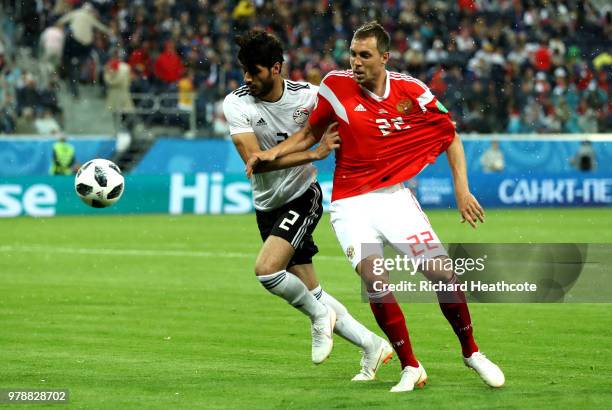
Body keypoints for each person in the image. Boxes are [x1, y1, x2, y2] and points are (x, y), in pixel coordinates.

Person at [247, 21, 504, 393]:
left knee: (442, 273)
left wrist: (462, 192)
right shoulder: (335, 85)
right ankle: (410, 365)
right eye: (352, 54)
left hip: (394, 199)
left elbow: (449, 135)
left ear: (384, 57)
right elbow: (308, 134)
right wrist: (270, 153)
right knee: (375, 279)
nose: (356, 62)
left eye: (364, 55)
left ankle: (472, 353)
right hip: (351, 205)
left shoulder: (410, 91)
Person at [222, 30, 393, 380]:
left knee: (267, 270)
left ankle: (318, 318)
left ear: (276, 68)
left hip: (303, 195)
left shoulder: (310, 97)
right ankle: (373, 346)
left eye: (253, 72)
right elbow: (258, 162)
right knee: (312, 291)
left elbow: (353, 116)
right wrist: (313, 153)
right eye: (244, 72)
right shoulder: (236, 103)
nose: (247, 79)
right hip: (266, 204)